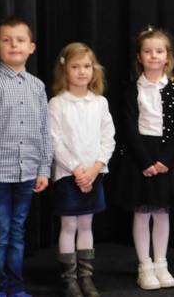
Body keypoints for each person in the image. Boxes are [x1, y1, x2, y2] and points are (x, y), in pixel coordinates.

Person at [0, 17, 53, 297]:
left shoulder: (37, 86)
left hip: (27, 173)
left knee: (17, 233)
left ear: (31, 47)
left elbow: (45, 130)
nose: (14, 45)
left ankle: (15, 288)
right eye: (6, 40)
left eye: (20, 40)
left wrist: (44, 168)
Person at [114, 26, 174, 291]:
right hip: (140, 154)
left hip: (166, 153)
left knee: (161, 212)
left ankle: (160, 263)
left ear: (168, 57)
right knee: (142, 212)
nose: (153, 56)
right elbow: (128, 126)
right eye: (148, 51)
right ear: (139, 56)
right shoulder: (131, 88)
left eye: (159, 51)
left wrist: (165, 159)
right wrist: (145, 161)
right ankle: (144, 265)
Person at [49, 43, 116, 297]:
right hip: (69, 176)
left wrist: (96, 168)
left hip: (94, 174)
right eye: (75, 66)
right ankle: (69, 280)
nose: (81, 71)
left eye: (86, 66)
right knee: (69, 225)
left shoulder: (100, 102)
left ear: (94, 69)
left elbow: (108, 138)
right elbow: (55, 141)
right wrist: (77, 171)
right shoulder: (57, 104)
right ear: (64, 70)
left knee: (86, 224)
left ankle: (86, 278)